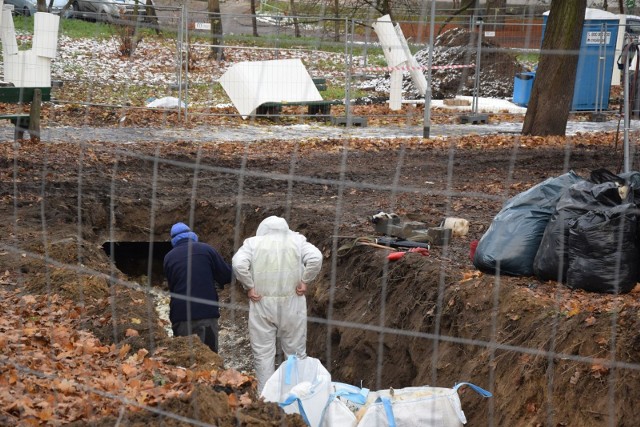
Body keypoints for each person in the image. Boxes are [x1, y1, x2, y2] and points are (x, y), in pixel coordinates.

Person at [232, 216, 323, 392]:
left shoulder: (252, 243)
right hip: (292, 303)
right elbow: (316, 257)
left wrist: (249, 286)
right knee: (295, 354)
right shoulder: (297, 240)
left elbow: (238, 263)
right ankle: (295, 395)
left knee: (263, 353)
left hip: (262, 304)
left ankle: (266, 398)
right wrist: (305, 280)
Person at [163, 222, 232, 353]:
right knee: (209, 359)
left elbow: (173, 286)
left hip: (180, 317)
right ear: (192, 235)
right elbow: (226, 275)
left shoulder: (168, 257)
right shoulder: (206, 249)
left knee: (185, 360)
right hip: (205, 313)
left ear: (173, 240)